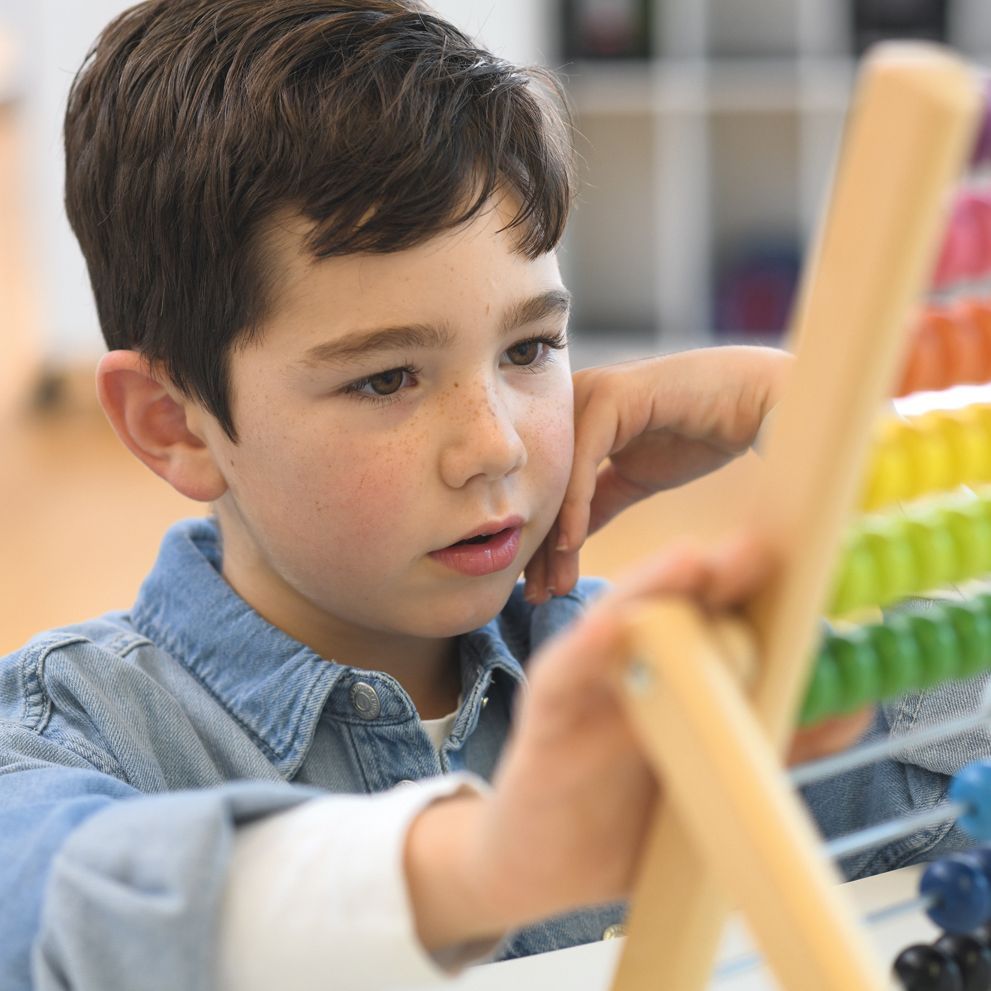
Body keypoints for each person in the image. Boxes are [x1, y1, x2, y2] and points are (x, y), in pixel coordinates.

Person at [0, 2, 982, 989]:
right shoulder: (74, 733)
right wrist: (484, 860)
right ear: (172, 421)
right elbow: (54, 917)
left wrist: (849, 438)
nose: (495, 444)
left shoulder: (670, 686)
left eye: (530, 348)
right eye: (386, 377)